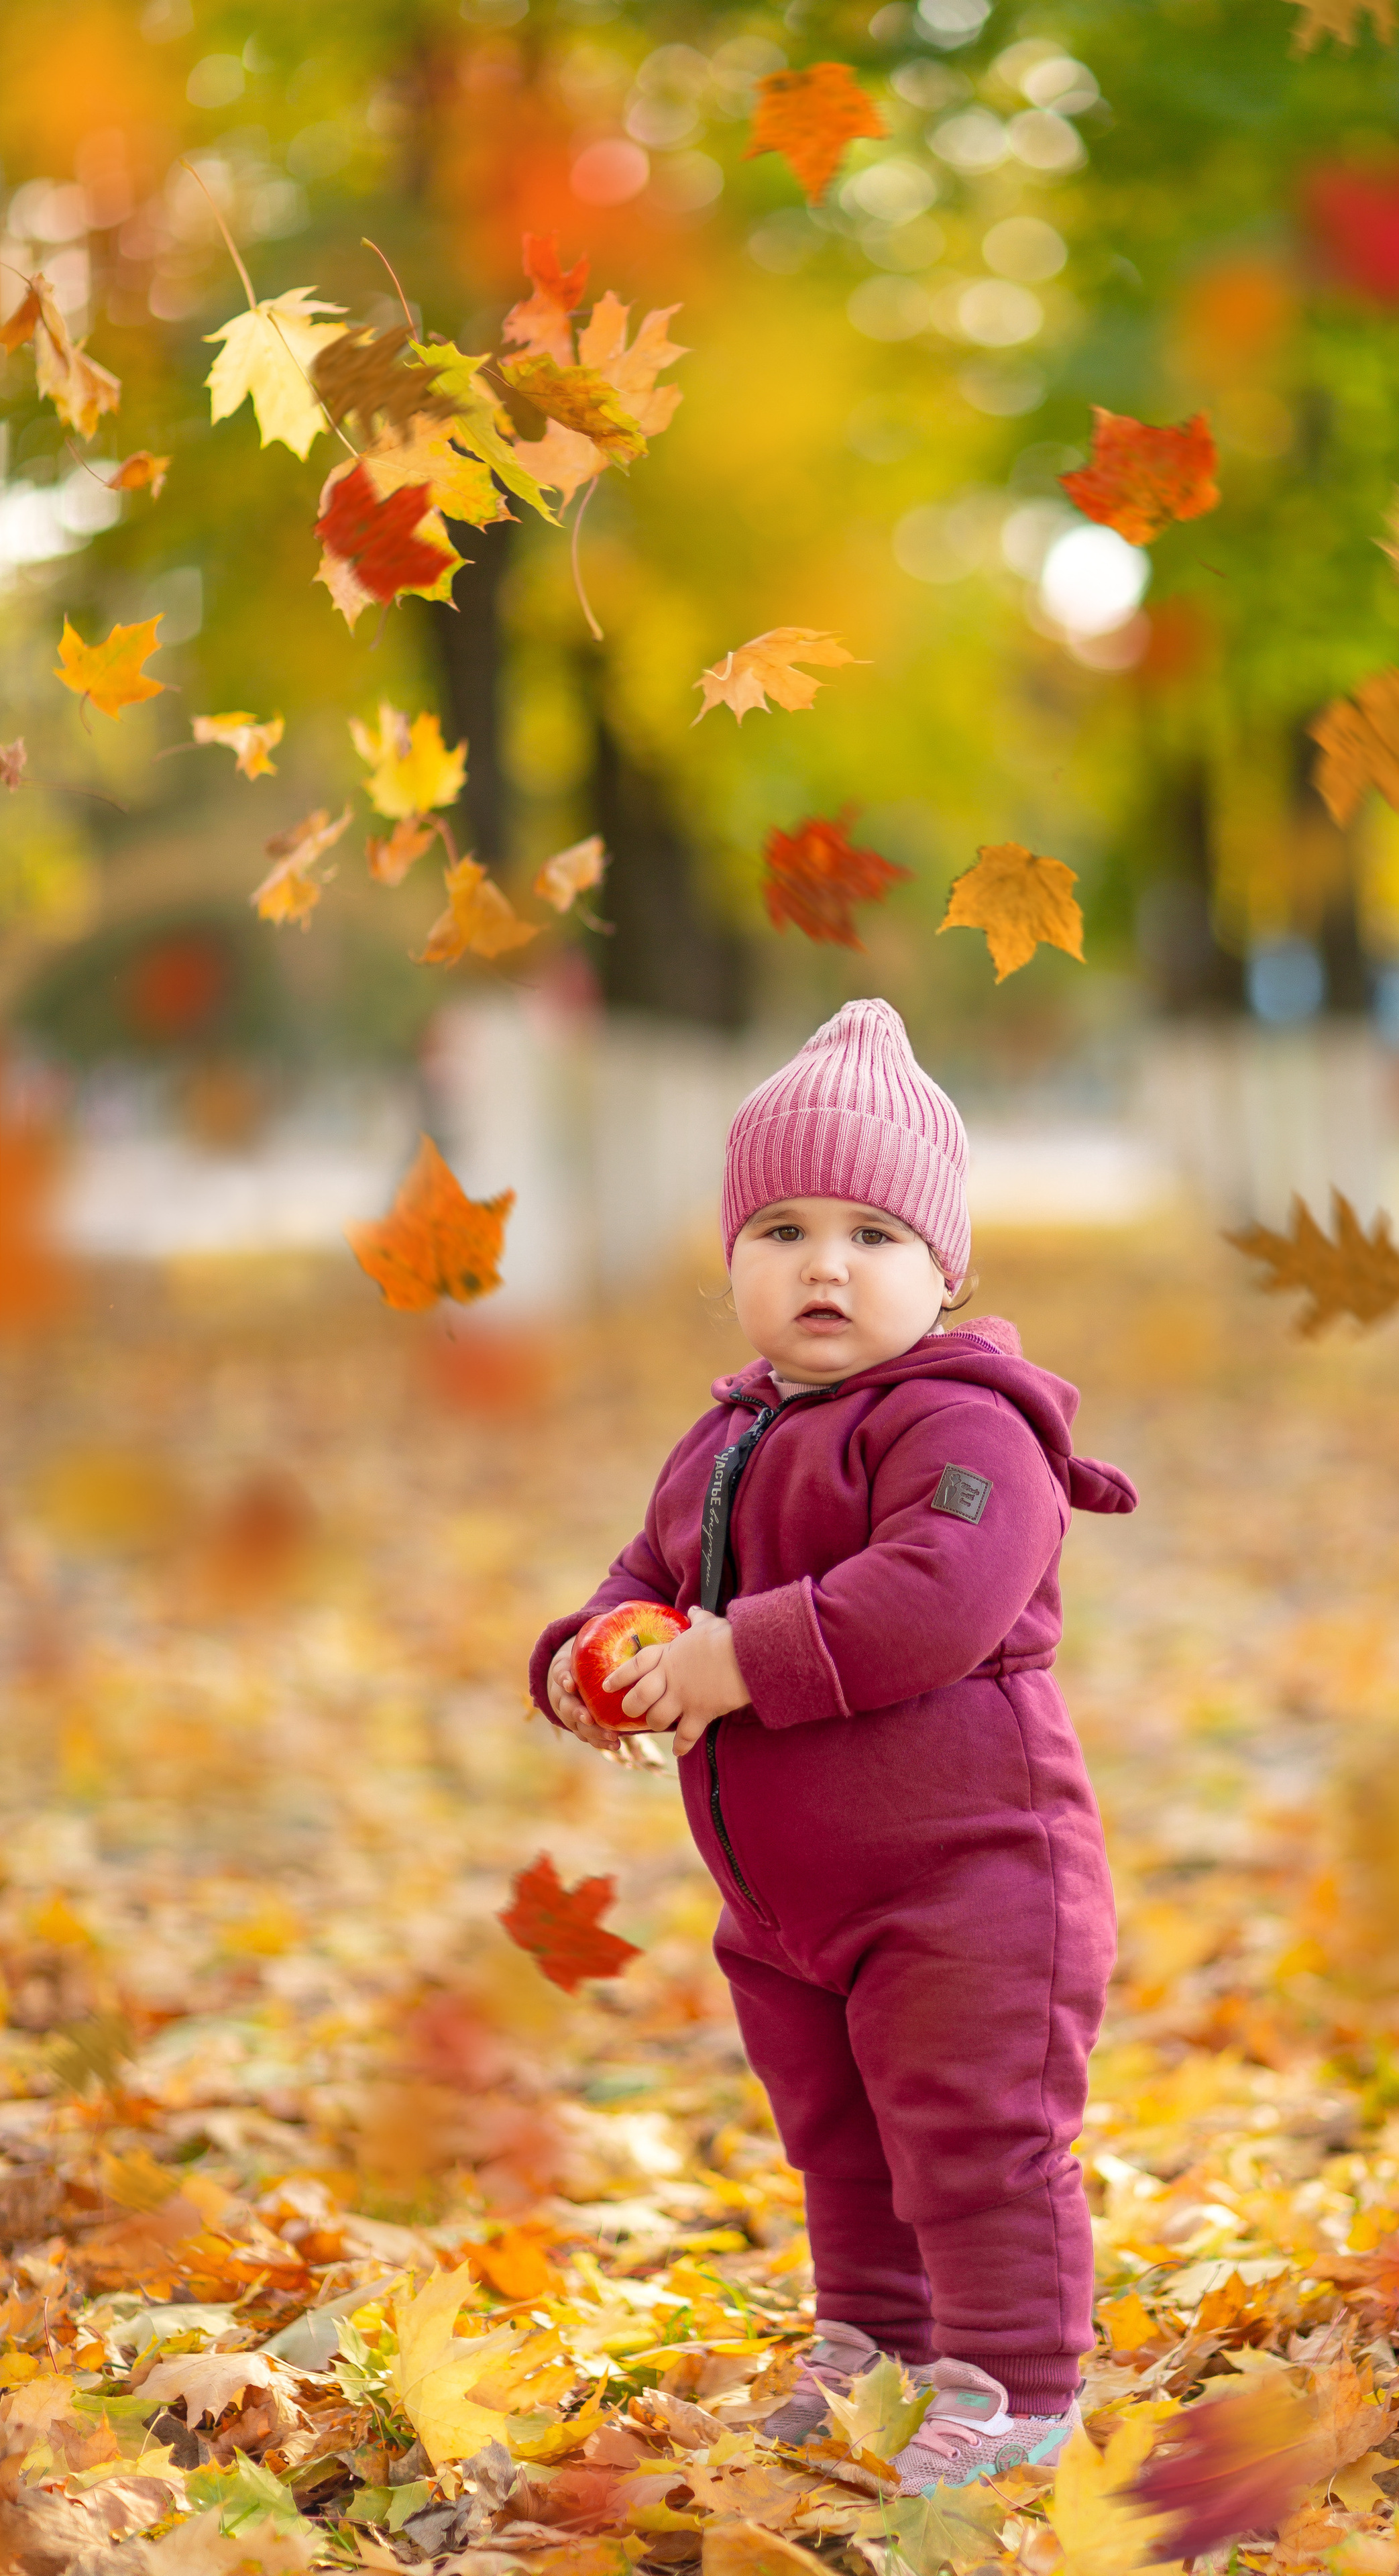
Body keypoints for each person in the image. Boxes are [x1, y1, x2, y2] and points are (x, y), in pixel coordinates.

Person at [527, 998, 1135, 2491]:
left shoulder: (964, 1428)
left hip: (966, 1883)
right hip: (786, 1906)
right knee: (841, 2137)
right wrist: (580, 1665)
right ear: (729, 1258)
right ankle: (871, 2339)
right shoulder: (725, 1434)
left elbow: (936, 1596)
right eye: (781, 1229)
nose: (822, 1264)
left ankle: (1017, 2384)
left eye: (872, 1234)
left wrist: (739, 1658)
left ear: (946, 1266)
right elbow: (639, 1581)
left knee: (973, 2134)